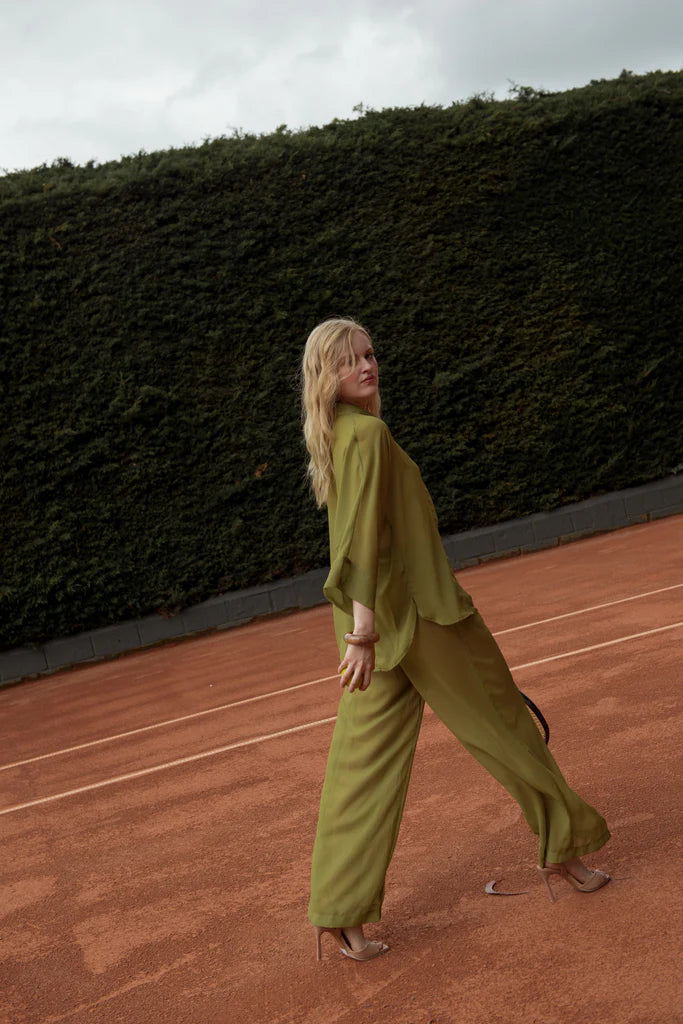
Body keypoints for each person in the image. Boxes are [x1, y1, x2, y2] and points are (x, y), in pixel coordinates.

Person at [301, 317, 610, 963]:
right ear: (322, 377)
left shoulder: (339, 437)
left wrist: (358, 632)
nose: (365, 365)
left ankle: (341, 912)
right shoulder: (369, 434)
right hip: (417, 619)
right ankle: (565, 851)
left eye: (369, 353)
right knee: (503, 727)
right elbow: (360, 537)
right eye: (347, 360)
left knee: (360, 768)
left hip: (375, 629)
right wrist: (363, 631)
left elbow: (358, 534)